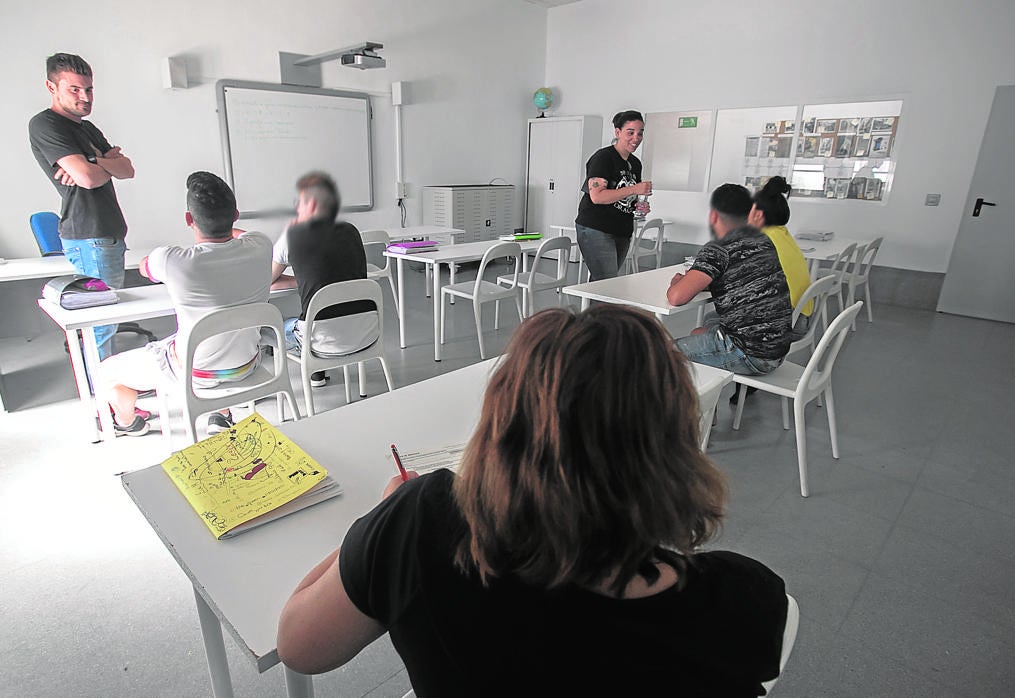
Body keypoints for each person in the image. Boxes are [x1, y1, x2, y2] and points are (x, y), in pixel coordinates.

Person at [277, 305, 788, 696]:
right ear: (674, 448)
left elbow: (299, 645)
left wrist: (382, 519)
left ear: (502, 430)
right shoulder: (749, 603)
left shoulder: (422, 523)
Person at [97, 172, 274, 436]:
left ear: (188, 219)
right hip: (248, 364)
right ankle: (221, 413)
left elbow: (146, 267)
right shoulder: (261, 245)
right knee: (212, 339)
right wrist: (226, 228)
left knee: (105, 371)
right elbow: (245, 235)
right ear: (236, 215)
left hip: (195, 374)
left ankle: (127, 423)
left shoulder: (173, 260)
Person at [29, 52, 135, 359]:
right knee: (100, 325)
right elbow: (88, 180)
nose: (84, 96)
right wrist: (104, 163)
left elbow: (127, 169)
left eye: (88, 89)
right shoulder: (45, 125)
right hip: (89, 234)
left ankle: (110, 397)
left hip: (107, 232)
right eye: (74, 89)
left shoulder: (87, 129)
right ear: (52, 87)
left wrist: (90, 161)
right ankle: (108, 404)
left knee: (106, 321)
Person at [666, 183, 791, 376]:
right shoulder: (762, 240)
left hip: (751, 354)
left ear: (713, 215)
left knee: (664, 353)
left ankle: (680, 402)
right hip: (777, 350)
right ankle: (709, 395)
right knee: (705, 325)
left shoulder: (718, 249)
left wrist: (678, 283)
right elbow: (739, 279)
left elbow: (676, 298)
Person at [268, 171, 378, 388]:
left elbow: (268, 279)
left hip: (321, 340)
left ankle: (310, 372)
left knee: (278, 327)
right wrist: (307, 280)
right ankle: (318, 371)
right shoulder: (351, 231)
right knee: (327, 310)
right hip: (366, 333)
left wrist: (302, 280)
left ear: (309, 206)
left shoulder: (293, 235)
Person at [573, 110, 653, 280]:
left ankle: (594, 307)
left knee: (604, 283)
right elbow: (597, 196)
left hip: (621, 229)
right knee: (606, 283)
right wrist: (634, 189)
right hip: (597, 227)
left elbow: (626, 195)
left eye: (640, 133)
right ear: (618, 132)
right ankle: (599, 307)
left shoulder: (635, 163)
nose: (636, 138)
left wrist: (638, 204)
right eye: (630, 133)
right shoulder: (604, 158)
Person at [750, 176, 812, 321]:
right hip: (800, 314)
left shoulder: (762, 241)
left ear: (758, 215)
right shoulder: (782, 234)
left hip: (783, 321)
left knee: (714, 321)